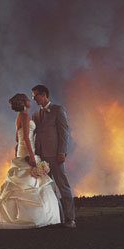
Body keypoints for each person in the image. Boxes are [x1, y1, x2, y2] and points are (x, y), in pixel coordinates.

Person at [0, 93, 60, 229]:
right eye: (27, 99)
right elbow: (26, 138)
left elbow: (17, 138)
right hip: (27, 151)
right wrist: (32, 156)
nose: (29, 100)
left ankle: (17, 215)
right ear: (23, 102)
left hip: (22, 151)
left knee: (23, 183)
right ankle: (33, 217)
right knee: (30, 182)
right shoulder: (25, 116)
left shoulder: (18, 117)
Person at [31, 84, 76, 228]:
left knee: (63, 186)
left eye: (35, 95)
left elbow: (64, 132)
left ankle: (70, 219)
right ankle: (58, 218)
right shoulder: (36, 115)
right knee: (49, 189)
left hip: (55, 156)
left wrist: (62, 151)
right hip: (41, 157)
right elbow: (34, 134)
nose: (33, 99)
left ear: (43, 94)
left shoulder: (58, 110)